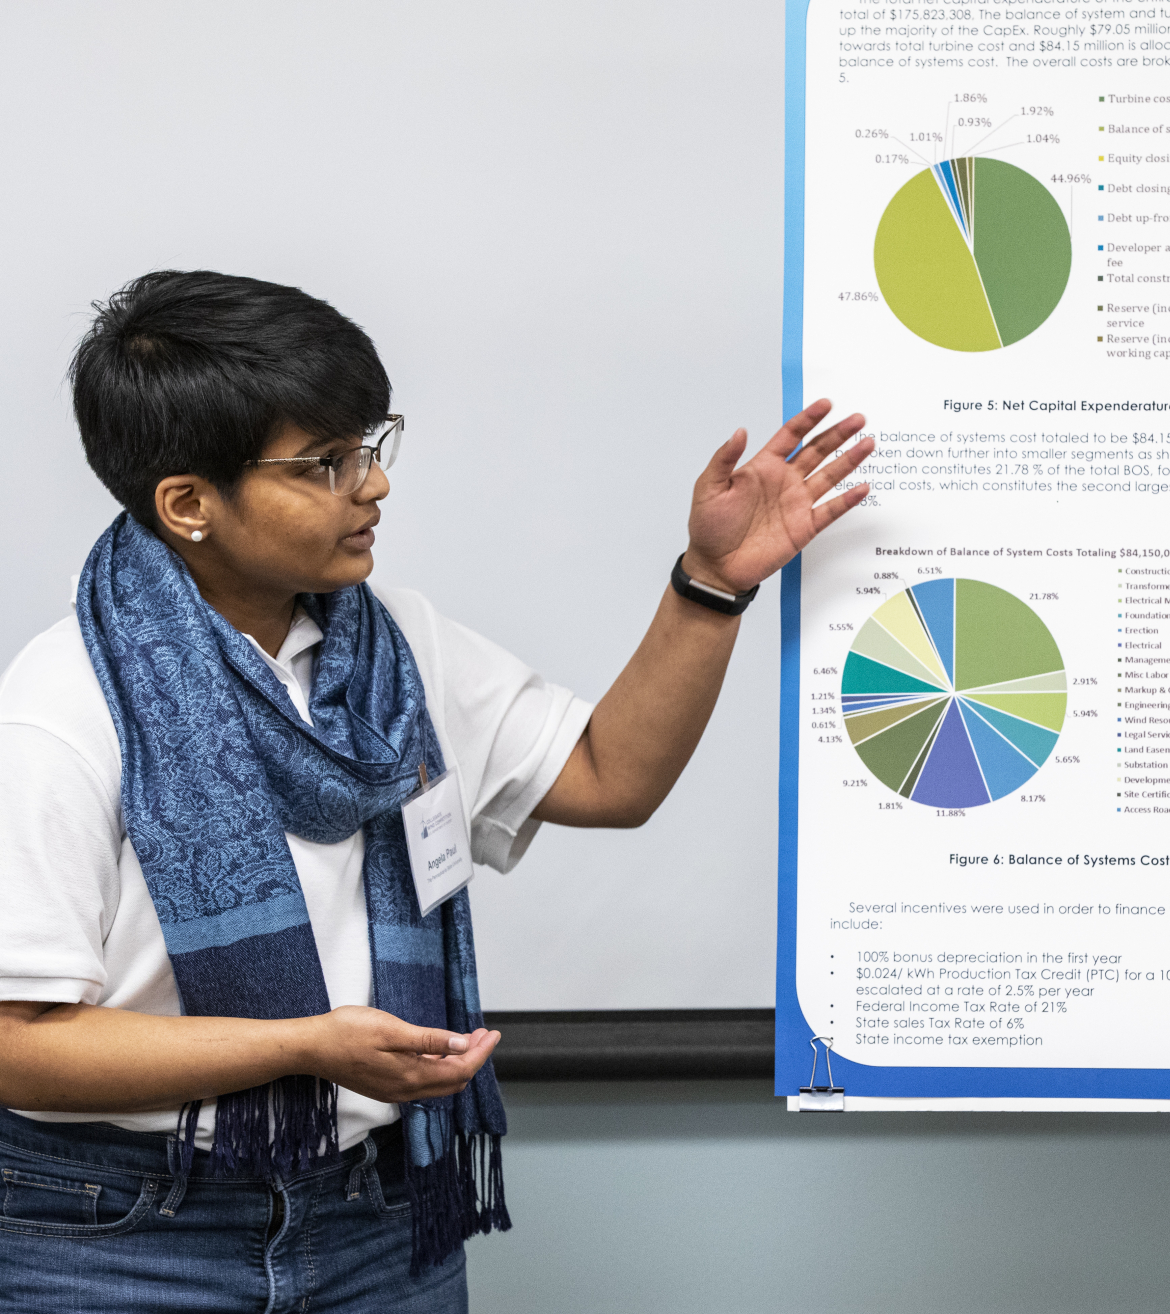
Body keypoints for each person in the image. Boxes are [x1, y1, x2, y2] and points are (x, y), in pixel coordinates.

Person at [0, 270, 871, 1312]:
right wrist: (305, 1049)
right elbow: (18, 1046)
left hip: (375, 1221)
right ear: (189, 504)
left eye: (371, 445)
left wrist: (713, 584)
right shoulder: (64, 706)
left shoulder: (392, 649)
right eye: (325, 464)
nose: (372, 486)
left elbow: (609, 776)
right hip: (123, 1234)